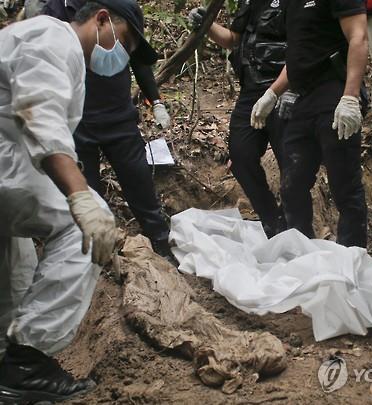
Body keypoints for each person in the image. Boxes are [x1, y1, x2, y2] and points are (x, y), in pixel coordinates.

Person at [0, 0, 156, 401]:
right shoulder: (52, 38)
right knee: (85, 227)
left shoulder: (52, 44)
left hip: (9, 161)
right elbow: (39, 115)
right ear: (102, 19)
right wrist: (80, 197)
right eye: (125, 42)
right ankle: (27, 365)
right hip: (6, 163)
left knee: (17, 270)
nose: (123, 56)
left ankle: (8, 368)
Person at [41, 0, 172, 257]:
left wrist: (155, 100)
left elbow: (138, 59)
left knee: (140, 183)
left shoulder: (120, 9)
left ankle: (161, 242)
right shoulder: (55, 12)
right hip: (78, 121)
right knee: (89, 196)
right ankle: (99, 255)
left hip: (119, 116)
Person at [252, 0, 369, 246]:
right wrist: (272, 93)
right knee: (292, 184)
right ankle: (302, 252)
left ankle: (352, 255)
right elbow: (299, 56)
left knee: (344, 185)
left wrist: (350, 96)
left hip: (334, 93)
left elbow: (358, 37)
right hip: (303, 99)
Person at [188, 0, 289, 237]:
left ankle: (293, 221)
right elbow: (234, 39)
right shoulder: (250, 2)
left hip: (286, 88)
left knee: (292, 162)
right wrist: (207, 24)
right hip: (251, 89)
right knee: (241, 154)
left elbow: (301, 48)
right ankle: (272, 219)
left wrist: (278, 91)